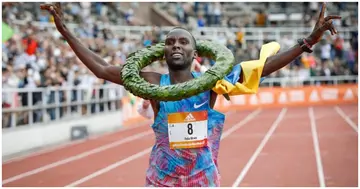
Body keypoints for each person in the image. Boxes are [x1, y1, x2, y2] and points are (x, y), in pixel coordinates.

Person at [41, 2, 340, 187]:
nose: (175, 45)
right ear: (162, 51)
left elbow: (261, 68)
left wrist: (308, 41)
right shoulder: (151, 81)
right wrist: (65, 31)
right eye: (170, 41)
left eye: (183, 42)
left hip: (203, 179)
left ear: (195, 52)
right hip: (161, 180)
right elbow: (102, 68)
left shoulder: (212, 81)